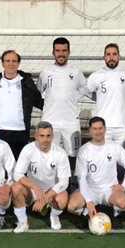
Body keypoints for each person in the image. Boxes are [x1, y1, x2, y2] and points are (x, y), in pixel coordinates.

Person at [67, 116, 125, 229]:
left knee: (124, 204)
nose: (98, 131)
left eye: (100, 128)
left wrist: (124, 185)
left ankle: (115, 214)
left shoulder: (114, 147)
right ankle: (85, 213)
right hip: (90, 189)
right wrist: (88, 201)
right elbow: (81, 179)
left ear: (105, 129)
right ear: (90, 131)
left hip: (110, 189)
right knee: (71, 206)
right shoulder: (84, 150)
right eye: (95, 129)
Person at [81, 43, 125, 153]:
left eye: (114, 54)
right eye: (108, 54)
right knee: (104, 157)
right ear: (104, 57)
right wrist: (99, 98)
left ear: (119, 56)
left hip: (122, 125)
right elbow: (85, 92)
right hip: (103, 126)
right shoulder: (96, 76)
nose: (111, 57)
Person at [11, 121, 71, 233]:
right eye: (42, 136)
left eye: (48, 136)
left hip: (51, 191)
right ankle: (23, 222)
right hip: (33, 191)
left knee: (62, 199)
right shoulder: (28, 149)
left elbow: (64, 182)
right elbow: (17, 174)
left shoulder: (60, 153)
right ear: (36, 136)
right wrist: (35, 188)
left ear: (52, 136)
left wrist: (46, 197)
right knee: (15, 187)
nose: (45, 139)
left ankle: (54, 216)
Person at [0, 50, 43, 159]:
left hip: (20, 131)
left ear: (18, 63)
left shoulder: (26, 81)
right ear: (2, 63)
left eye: (14, 61)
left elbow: (38, 101)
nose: (11, 64)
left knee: (19, 168)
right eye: (7, 61)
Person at [38, 37, 86, 166]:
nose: (61, 54)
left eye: (64, 50)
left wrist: (72, 96)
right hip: (50, 120)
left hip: (71, 121)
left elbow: (84, 89)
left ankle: (71, 185)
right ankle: (50, 184)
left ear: (69, 52)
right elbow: (38, 93)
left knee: (74, 155)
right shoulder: (46, 72)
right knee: (49, 154)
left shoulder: (76, 71)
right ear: (53, 53)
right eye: (58, 50)